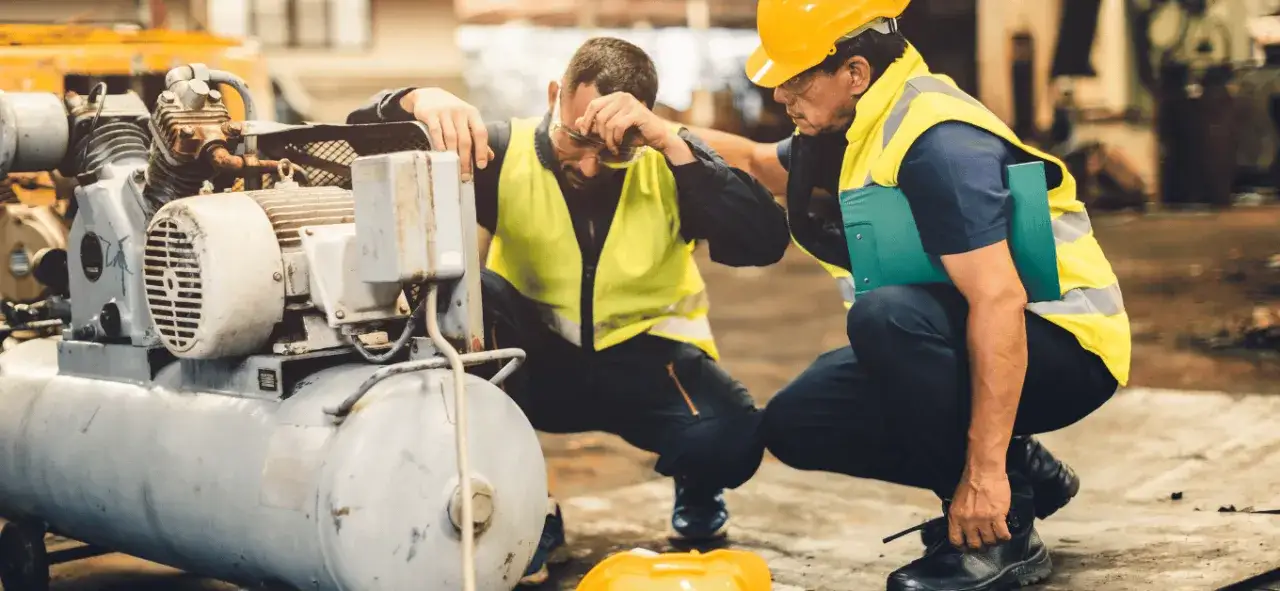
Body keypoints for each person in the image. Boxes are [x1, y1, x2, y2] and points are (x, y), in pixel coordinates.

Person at [692, 1, 1131, 589]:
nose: (779, 95)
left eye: (795, 78)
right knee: (799, 423)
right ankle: (1028, 469)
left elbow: (999, 300)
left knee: (885, 318)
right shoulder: (857, 125)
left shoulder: (935, 142)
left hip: (1064, 349)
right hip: (972, 334)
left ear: (854, 73)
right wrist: (651, 127)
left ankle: (1000, 529)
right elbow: (749, 159)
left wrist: (983, 471)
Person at [347, 37, 787, 586]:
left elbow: (763, 243)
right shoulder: (501, 152)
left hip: (650, 365)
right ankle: (530, 508)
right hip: (538, 363)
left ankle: (697, 481)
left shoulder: (666, 165)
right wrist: (416, 101)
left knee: (730, 442)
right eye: (577, 136)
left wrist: (671, 142)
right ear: (556, 94)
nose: (588, 162)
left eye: (612, 146)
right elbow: (353, 146)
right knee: (475, 288)